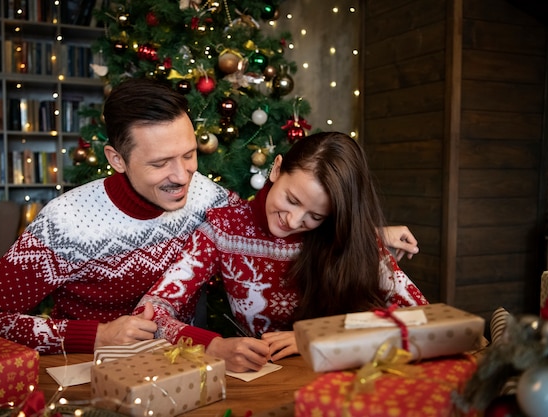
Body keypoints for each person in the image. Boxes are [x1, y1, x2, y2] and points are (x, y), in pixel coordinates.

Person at [0, 78, 419, 354]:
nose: (183, 177)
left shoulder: (208, 201)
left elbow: (273, 222)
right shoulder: (66, 222)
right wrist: (91, 335)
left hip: (176, 361)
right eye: (160, 164)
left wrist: (363, 230)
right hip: (86, 364)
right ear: (117, 159)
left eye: (190, 154)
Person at [135, 132, 428, 372]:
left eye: (315, 216)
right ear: (276, 169)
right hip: (259, 380)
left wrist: (322, 337)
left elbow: (425, 319)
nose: (294, 220)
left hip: (342, 380)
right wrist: (212, 345)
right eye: (291, 199)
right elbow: (151, 312)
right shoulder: (222, 229)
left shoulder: (351, 239)